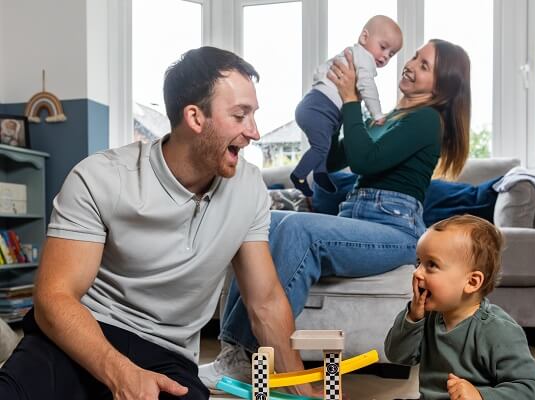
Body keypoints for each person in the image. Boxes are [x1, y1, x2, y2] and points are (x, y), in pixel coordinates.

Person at [0, 46, 318, 399]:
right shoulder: (100, 178)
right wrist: (121, 373)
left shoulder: (249, 189)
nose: (254, 132)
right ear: (195, 118)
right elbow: (54, 297)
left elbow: (266, 302)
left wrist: (302, 389)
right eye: (240, 116)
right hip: (82, 334)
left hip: (167, 354)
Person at [199, 39, 472, 388]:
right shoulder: (388, 117)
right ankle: (234, 353)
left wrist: (350, 101)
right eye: (416, 57)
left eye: (424, 66)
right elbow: (334, 158)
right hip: (356, 219)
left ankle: (251, 356)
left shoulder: (427, 121)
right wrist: (325, 111)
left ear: (442, 85)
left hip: (395, 229)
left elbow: (363, 161)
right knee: (263, 221)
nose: (411, 64)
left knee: (299, 229)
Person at [384, 215, 535, 400]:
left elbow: (532, 389)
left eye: (431, 265)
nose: (416, 272)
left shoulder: (498, 330)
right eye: (418, 262)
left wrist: (480, 396)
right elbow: (397, 356)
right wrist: (413, 318)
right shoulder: (427, 318)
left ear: (472, 282)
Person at [290, 15, 403, 197]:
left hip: (314, 105)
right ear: (364, 37)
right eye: (383, 47)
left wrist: (321, 84)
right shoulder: (363, 58)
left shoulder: (350, 54)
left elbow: (320, 70)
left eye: (391, 54)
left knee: (325, 144)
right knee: (320, 147)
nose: (384, 56)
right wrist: (377, 114)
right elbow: (367, 87)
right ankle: (299, 176)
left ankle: (320, 173)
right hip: (319, 108)